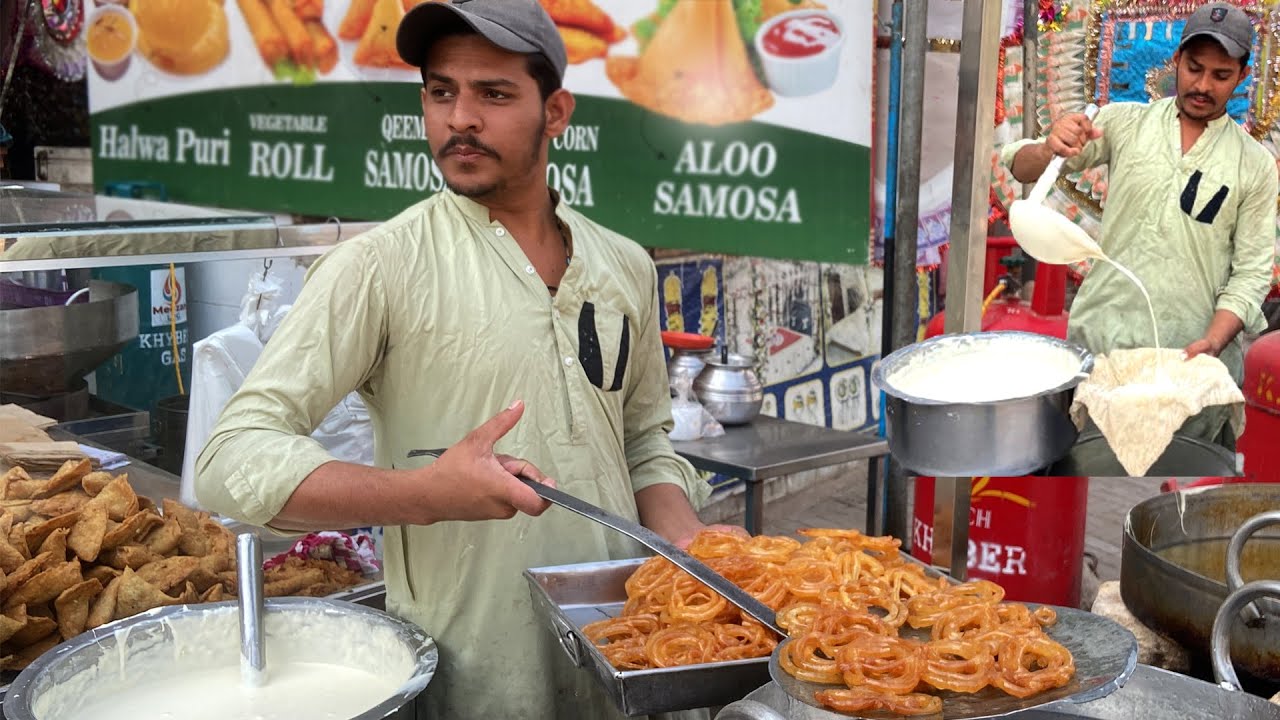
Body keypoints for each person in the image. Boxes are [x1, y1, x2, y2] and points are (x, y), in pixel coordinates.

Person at [194, 2, 741, 718]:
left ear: (556, 111)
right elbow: (231, 461)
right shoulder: (379, 265)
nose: (460, 119)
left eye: (494, 94)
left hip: (630, 656)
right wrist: (427, 492)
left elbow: (641, 444)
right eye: (441, 92)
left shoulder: (624, 265)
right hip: (474, 674)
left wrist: (691, 539)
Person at [1002, 1, 1278, 447]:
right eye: (1194, 68)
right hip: (1102, 355)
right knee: (1091, 462)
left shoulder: (1255, 166)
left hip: (1190, 374)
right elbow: (1021, 166)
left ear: (1243, 76)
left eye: (1221, 75)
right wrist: (1053, 145)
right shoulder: (1122, 124)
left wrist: (1211, 342)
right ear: (1176, 60)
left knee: (1176, 488)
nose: (1203, 85)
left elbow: (1250, 274)